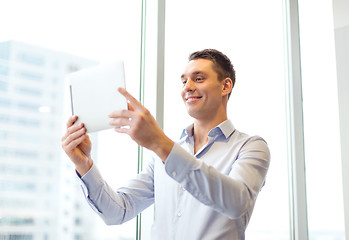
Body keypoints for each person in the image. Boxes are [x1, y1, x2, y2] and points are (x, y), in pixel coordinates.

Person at [61, 49, 270, 240]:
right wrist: (85, 164)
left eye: (198, 78)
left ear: (225, 86)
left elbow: (236, 203)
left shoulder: (250, 147)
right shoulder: (164, 154)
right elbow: (118, 212)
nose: (187, 87)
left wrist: (161, 144)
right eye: (184, 81)